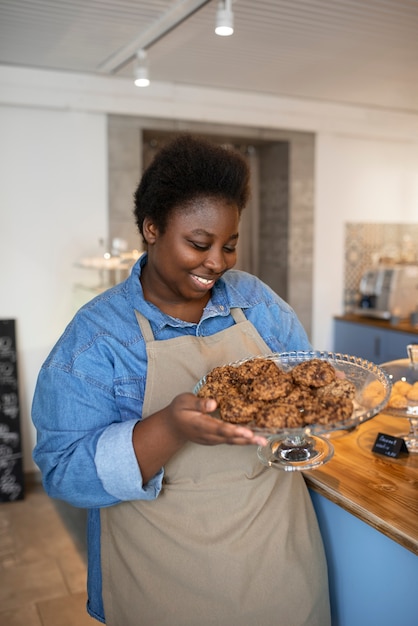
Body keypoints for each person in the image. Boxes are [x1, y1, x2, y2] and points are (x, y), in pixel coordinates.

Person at [32, 135, 331, 626]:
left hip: (281, 568)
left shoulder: (254, 302)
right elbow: (64, 471)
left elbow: (308, 386)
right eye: (199, 243)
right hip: (164, 585)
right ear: (151, 228)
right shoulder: (97, 339)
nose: (218, 262)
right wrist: (170, 428)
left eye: (229, 245)